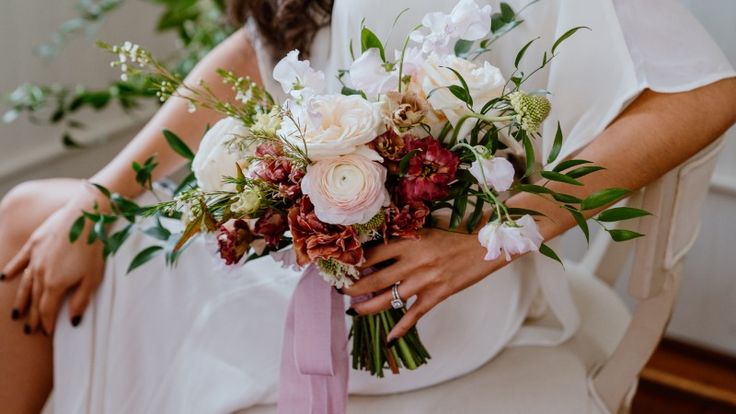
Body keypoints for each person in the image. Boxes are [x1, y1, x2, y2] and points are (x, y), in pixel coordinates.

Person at [0, 0, 734, 413]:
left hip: (414, 299)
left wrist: (495, 238)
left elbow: (706, 90)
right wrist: (101, 198)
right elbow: (256, 54)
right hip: (306, 254)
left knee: (29, 220)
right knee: (46, 213)